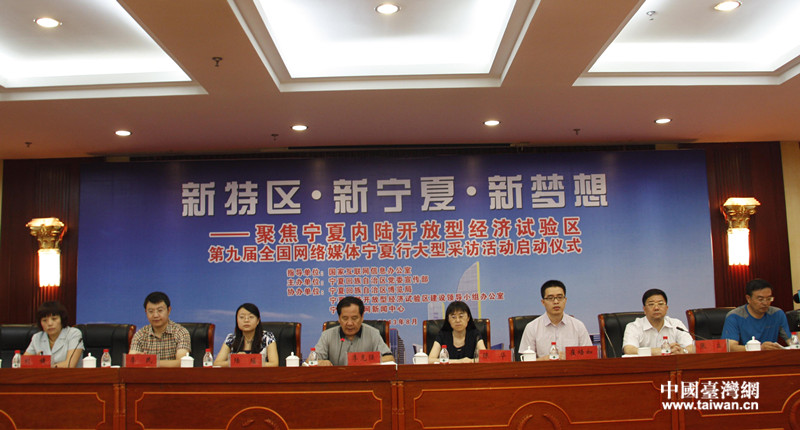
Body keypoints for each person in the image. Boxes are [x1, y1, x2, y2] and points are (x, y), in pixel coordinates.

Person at [517, 280, 592, 360]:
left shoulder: (578, 326)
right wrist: (545, 359)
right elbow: (526, 362)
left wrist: (569, 358)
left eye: (559, 297)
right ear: (543, 302)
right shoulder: (532, 327)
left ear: (565, 300)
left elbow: (590, 357)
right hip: (543, 368)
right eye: (550, 298)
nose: (556, 302)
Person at [311, 296, 393, 366]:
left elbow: (389, 358)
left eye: (354, 318)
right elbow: (310, 361)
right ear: (339, 318)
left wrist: (364, 361)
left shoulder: (373, 333)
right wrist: (321, 362)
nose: (349, 323)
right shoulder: (327, 335)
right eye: (345, 318)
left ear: (362, 317)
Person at [721, 278, 791, 351]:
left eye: (769, 299)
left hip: (772, 357)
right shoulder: (734, 316)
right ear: (748, 298)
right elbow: (730, 347)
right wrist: (759, 348)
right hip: (745, 357)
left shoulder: (777, 314)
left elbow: (792, 341)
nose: (765, 303)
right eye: (760, 299)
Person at [622, 289, 694, 355]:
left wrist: (683, 351)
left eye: (660, 304)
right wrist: (661, 351)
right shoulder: (634, 327)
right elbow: (629, 349)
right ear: (644, 309)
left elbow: (692, 347)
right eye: (651, 304)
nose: (656, 308)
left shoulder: (676, 324)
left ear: (666, 308)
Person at [129, 291, 191, 367]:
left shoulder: (181, 332)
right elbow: (131, 361)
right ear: (146, 312)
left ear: (169, 310)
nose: (155, 315)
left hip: (173, 375)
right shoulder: (140, 335)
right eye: (151, 311)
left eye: (160, 310)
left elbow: (182, 362)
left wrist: (148, 361)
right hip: (146, 375)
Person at [214, 303, 278, 367]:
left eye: (251, 317)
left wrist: (247, 360)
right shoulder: (231, 338)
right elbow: (217, 363)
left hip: (260, 373)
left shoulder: (267, 337)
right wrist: (237, 360)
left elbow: (274, 364)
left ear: (258, 321)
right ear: (237, 320)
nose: (246, 320)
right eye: (242, 317)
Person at [24, 301, 84, 368]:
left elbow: (70, 364)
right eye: (44, 320)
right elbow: (24, 363)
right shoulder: (37, 337)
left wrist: (43, 366)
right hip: (42, 374)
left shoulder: (73, 334)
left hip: (69, 374)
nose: (49, 324)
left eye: (54, 319)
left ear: (62, 319)